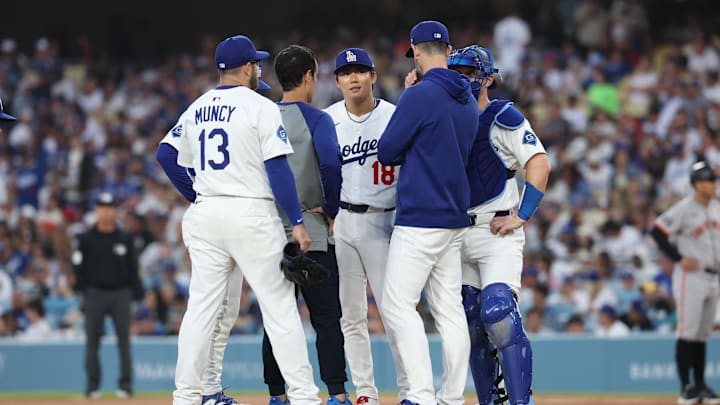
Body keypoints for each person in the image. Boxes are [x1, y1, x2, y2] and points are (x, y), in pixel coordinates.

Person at [170, 34, 321, 405]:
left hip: (206, 213)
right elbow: (278, 168)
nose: (258, 69)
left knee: (201, 311)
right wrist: (297, 221)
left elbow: (167, 156)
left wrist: (196, 194)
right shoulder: (260, 106)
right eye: (256, 64)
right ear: (248, 67)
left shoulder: (197, 107)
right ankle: (303, 396)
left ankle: (186, 397)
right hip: (250, 211)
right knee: (280, 307)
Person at [377, 20, 479, 405]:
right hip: (454, 217)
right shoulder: (467, 98)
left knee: (397, 306)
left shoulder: (418, 97)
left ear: (416, 52)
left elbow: (387, 151)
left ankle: (419, 396)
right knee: (449, 312)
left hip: (421, 217)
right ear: (449, 53)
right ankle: (451, 398)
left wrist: (408, 101)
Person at [447, 45, 551, 405]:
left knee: (498, 313)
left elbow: (538, 162)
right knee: (472, 327)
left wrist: (522, 215)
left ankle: (521, 401)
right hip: (456, 234)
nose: (462, 79)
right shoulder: (443, 117)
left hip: (496, 232)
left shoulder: (502, 116)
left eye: (469, 72)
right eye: (455, 72)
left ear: (488, 77)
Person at [261, 44, 348, 405]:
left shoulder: (260, 116)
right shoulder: (317, 119)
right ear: (310, 76)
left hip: (268, 233)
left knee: (276, 320)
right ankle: (338, 395)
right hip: (311, 231)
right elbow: (331, 166)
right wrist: (330, 208)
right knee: (327, 318)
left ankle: (278, 396)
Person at [323, 47, 408, 405]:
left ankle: (410, 390)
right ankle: (366, 394)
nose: (353, 78)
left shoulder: (396, 115)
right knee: (351, 315)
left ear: (374, 76)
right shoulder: (327, 120)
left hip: (383, 221)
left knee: (395, 313)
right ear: (338, 81)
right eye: (346, 73)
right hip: (342, 221)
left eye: (360, 71)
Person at [650, 160, 720, 405]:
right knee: (687, 332)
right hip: (691, 276)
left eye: (713, 180)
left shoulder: (716, 207)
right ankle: (686, 388)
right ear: (697, 184)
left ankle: (700, 386)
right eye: (709, 180)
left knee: (701, 335)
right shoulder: (684, 208)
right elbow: (657, 231)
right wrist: (679, 258)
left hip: (714, 277)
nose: (714, 184)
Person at [72, 191, 144, 399]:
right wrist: (84, 291)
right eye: (102, 207)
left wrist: (135, 292)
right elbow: (78, 266)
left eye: (110, 207)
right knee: (92, 341)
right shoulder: (85, 239)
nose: (106, 211)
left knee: (124, 341)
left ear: (114, 210)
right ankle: (92, 386)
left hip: (121, 293)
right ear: (96, 210)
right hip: (94, 292)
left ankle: (126, 385)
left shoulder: (125, 238)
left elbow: (133, 267)